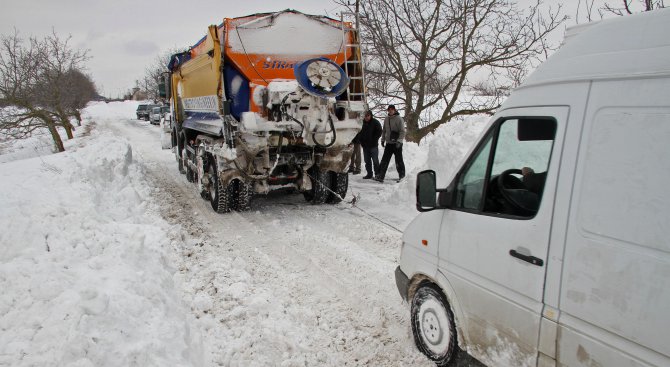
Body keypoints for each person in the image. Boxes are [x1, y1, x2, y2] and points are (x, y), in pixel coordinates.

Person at [374, 105, 406, 183]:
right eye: (389, 110)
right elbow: (384, 130)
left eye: (392, 109)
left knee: (399, 160)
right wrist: (382, 140)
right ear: (388, 111)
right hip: (389, 143)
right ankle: (380, 176)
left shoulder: (399, 119)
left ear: (395, 110)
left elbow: (402, 131)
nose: (390, 111)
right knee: (385, 160)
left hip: (397, 143)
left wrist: (399, 141)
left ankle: (402, 177)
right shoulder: (386, 119)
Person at [359, 110, 383, 179]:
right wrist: (361, 141)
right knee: (367, 161)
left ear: (370, 115)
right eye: (365, 116)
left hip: (373, 146)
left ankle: (377, 174)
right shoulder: (361, 123)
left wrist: (374, 140)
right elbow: (359, 133)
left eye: (368, 116)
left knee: (375, 160)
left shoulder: (375, 122)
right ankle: (369, 174)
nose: (366, 117)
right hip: (365, 146)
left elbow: (379, 132)